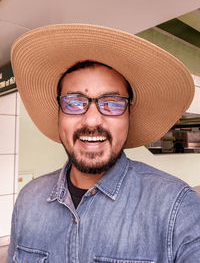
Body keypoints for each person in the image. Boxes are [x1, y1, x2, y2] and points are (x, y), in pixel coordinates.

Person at [7, 24, 200, 262]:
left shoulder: (176, 207)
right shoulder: (28, 201)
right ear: (59, 113)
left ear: (130, 114)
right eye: (75, 102)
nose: (91, 119)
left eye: (112, 102)